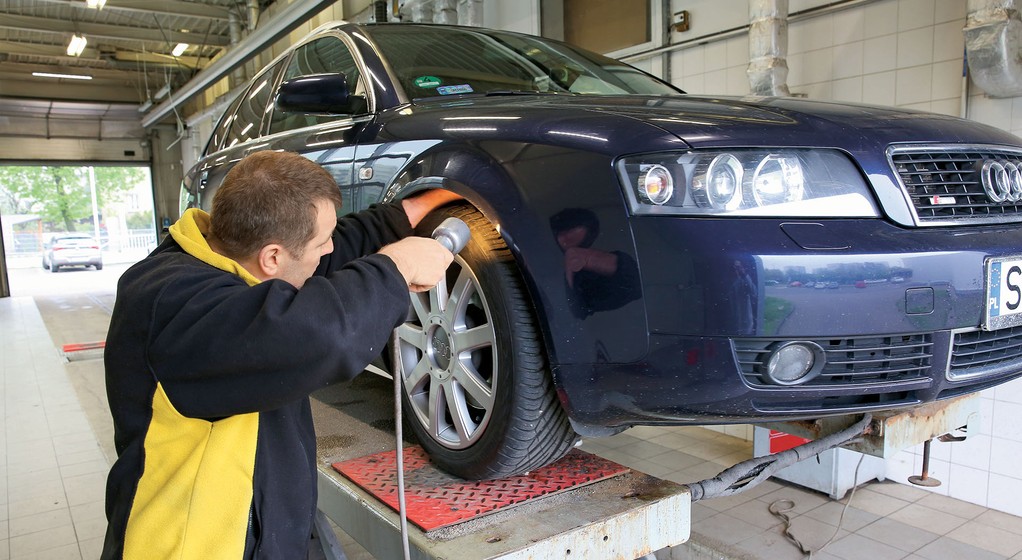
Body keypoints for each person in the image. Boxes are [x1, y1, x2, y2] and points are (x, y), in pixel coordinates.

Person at [100, 150, 461, 559]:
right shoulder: (178, 309)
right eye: (322, 241)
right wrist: (395, 267)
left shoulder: (221, 256)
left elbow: (315, 261)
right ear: (271, 257)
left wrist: (403, 214)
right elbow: (323, 335)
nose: (330, 249)